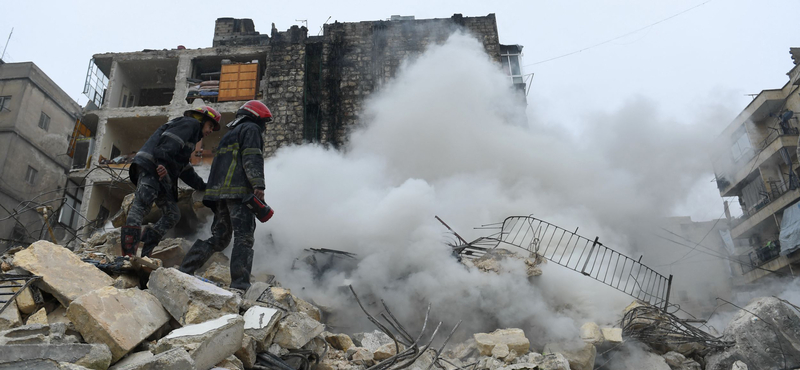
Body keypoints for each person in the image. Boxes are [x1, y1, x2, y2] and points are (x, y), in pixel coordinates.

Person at [179, 100, 272, 291]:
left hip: (218, 196)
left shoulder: (229, 135)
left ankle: (185, 270)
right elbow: (252, 157)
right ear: (257, 117)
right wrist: (258, 184)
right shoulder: (251, 129)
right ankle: (240, 285)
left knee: (219, 237)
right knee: (244, 238)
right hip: (238, 194)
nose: (263, 126)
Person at [121, 106, 221, 257]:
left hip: (161, 175)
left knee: (172, 214)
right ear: (202, 120)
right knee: (141, 205)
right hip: (152, 168)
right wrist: (161, 163)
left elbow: (184, 169)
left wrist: (202, 186)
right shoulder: (190, 124)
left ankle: (146, 247)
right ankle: (128, 254)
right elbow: (169, 141)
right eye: (210, 126)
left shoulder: (191, 139)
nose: (210, 131)